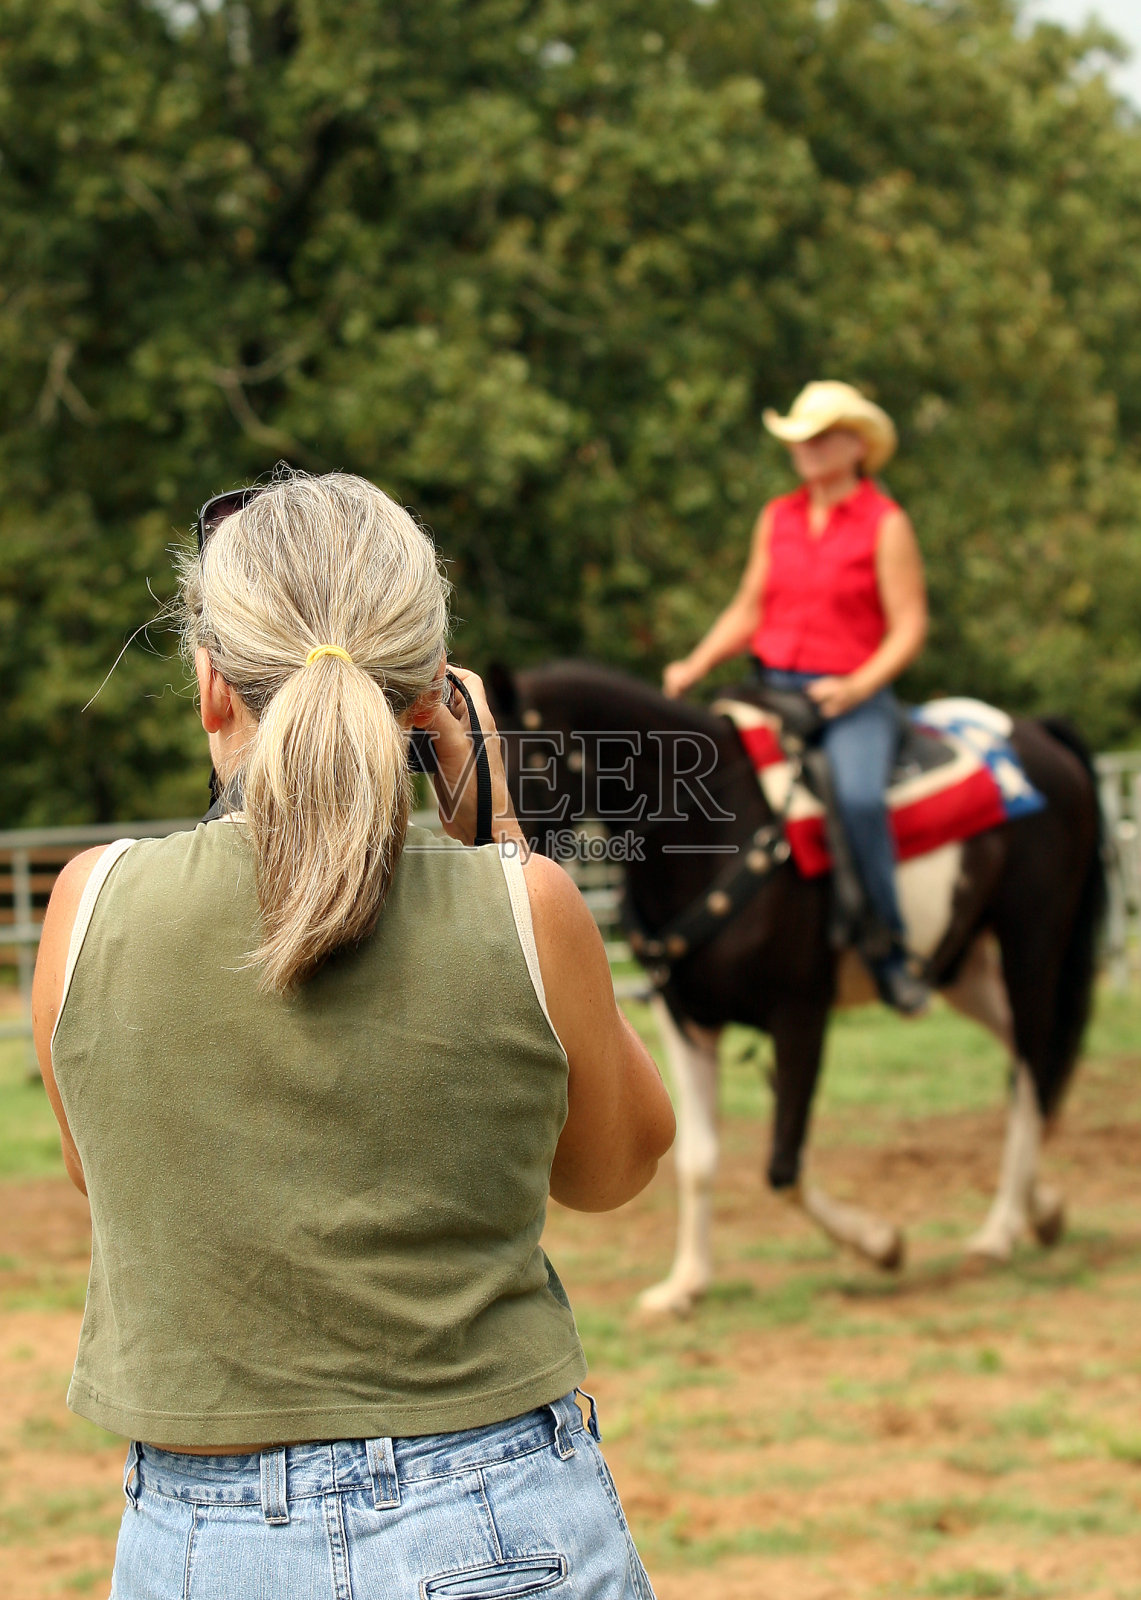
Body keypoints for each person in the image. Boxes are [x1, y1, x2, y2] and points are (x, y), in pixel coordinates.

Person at [32, 472, 675, 1599]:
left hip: (200, 1543)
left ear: (211, 686)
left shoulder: (89, 904)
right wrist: (502, 836)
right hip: (498, 1519)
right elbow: (613, 1169)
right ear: (430, 697)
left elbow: (104, 1172)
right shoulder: (523, 907)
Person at [663, 380, 929, 1014]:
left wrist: (859, 685)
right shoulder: (777, 516)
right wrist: (697, 661)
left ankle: (889, 950)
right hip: (772, 690)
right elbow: (750, 608)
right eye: (800, 437)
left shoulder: (886, 523)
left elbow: (910, 626)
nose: (806, 448)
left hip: (851, 699)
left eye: (822, 437)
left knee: (859, 799)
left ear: (857, 446)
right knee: (706, 781)